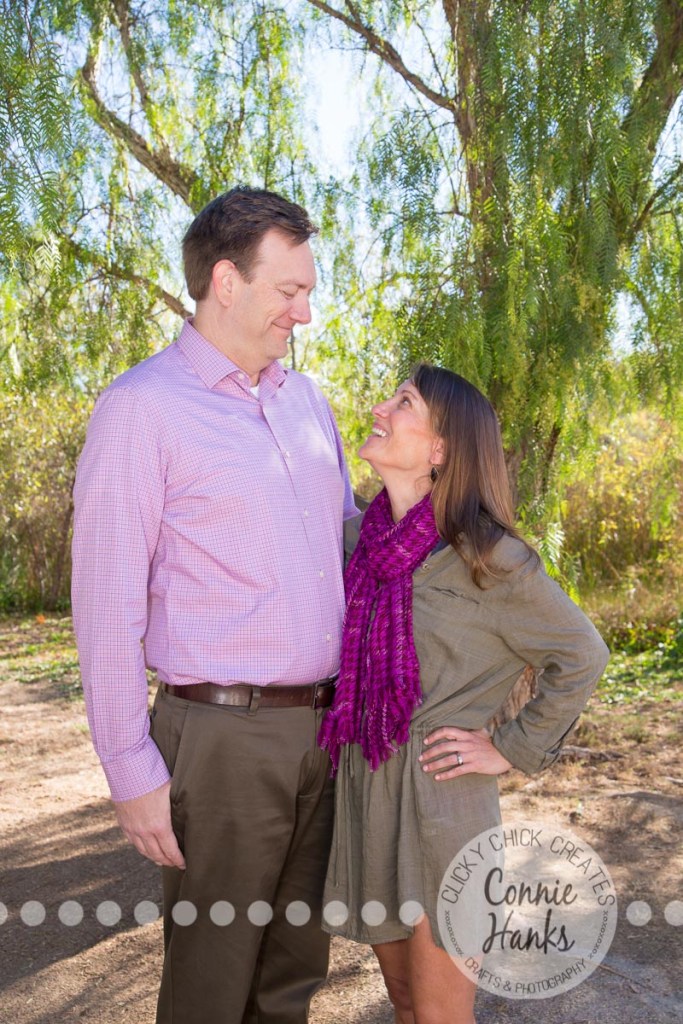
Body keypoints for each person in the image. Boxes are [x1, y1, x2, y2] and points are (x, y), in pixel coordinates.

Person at [71, 186, 358, 1024]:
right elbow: (105, 601)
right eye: (289, 291)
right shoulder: (141, 409)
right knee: (212, 981)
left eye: (306, 292)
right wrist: (130, 771)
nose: (302, 313)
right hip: (220, 739)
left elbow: (343, 543)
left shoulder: (308, 404)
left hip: (322, 732)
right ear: (225, 282)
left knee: (292, 973)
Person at [318, 364, 610, 1024]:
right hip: (366, 788)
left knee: (441, 1016)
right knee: (401, 1002)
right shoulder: (355, 544)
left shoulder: (489, 557)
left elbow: (580, 654)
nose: (379, 408)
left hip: (440, 800)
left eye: (402, 402)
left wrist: (508, 747)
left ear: (441, 449)